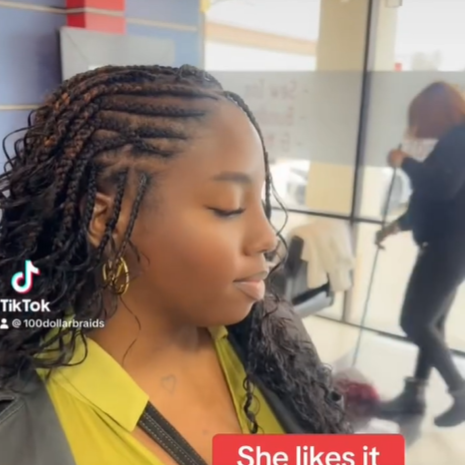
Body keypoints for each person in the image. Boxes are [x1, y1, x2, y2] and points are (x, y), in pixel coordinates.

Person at [0, 65, 348, 465]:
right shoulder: (16, 428)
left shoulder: (275, 333)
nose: (268, 238)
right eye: (229, 207)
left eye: (261, 200)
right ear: (103, 219)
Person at [376, 81, 465, 428]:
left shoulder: (459, 137)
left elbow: (443, 188)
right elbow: (433, 201)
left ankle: (460, 390)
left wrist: (405, 161)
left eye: (418, 118)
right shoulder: (451, 142)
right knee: (432, 324)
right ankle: (414, 395)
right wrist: (397, 225)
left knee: (414, 321)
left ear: (434, 114)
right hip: (450, 245)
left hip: (448, 246)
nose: (416, 127)